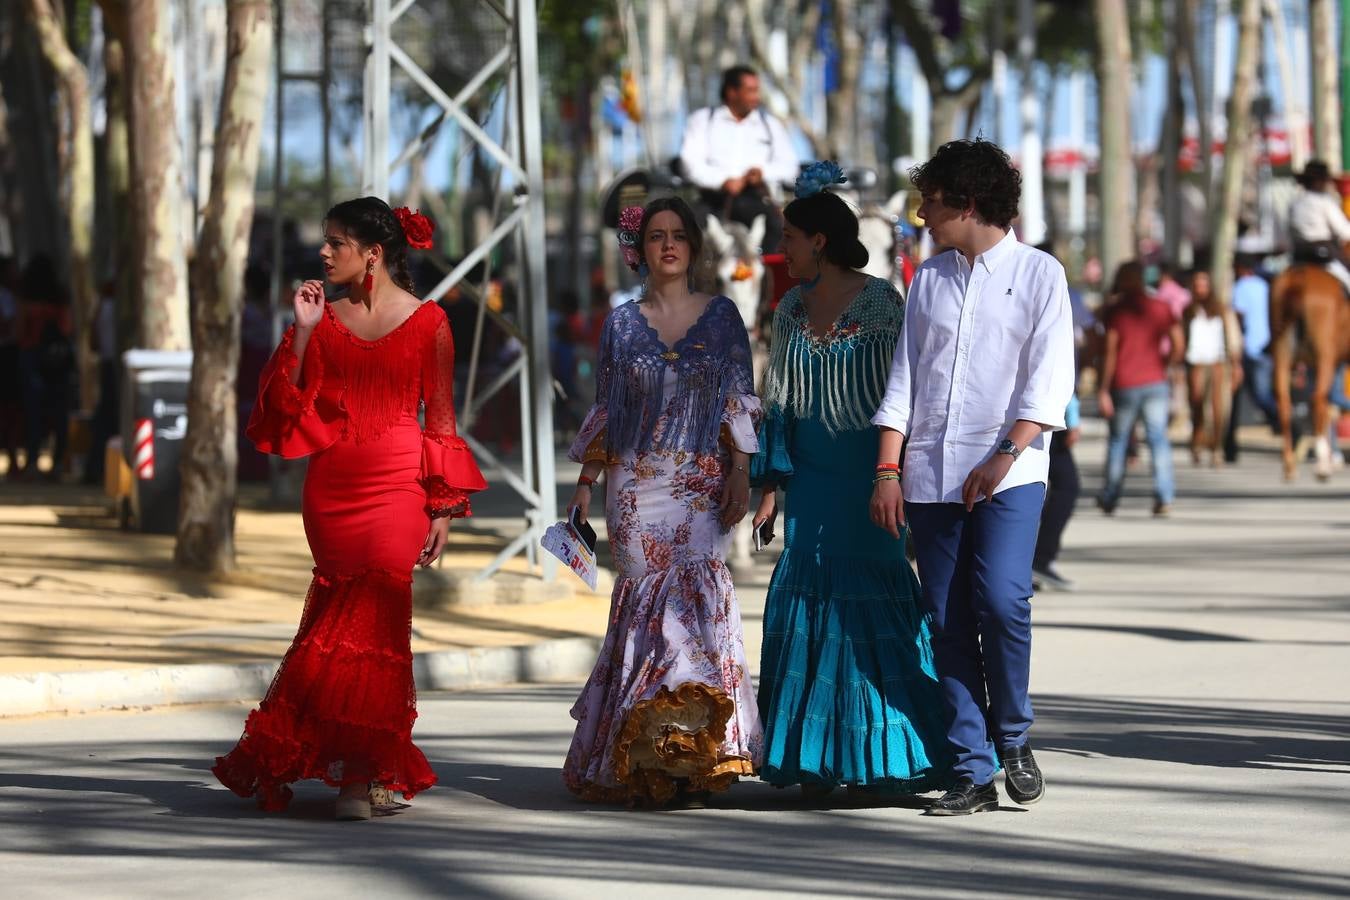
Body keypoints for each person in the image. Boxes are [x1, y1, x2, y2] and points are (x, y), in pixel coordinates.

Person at [213, 197, 487, 820]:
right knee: (343, 617)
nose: (324, 252)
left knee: (379, 626)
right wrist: (304, 329)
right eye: (325, 240)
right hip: (332, 490)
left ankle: (359, 777)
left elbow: (440, 418)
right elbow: (287, 404)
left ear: (374, 252)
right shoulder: (322, 318)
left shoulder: (431, 323)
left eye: (337, 241)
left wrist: (442, 504)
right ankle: (334, 767)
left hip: (399, 488)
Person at [871, 139, 1075, 816]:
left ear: (967, 202)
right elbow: (904, 379)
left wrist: (1005, 455)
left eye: (931, 200)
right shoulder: (928, 279)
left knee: (1003, 600)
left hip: (1010, 473)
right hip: (929, 474)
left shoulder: (1042, 274)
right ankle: (971, 768)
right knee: (946, 620)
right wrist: (888, 468)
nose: (922, 213)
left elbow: (1049, 384)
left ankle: (1013, 734)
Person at [750, 163, 952, 800]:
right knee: (810, 600)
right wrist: (769, 487)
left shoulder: (883, 302)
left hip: (869, 480)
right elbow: (776, 402)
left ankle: (887, 758)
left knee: (873, 603)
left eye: (790, 235)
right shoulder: (788, 307)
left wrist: (899, 477)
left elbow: (906, 395)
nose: (782, 247)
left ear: (820, 240)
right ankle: (815, 759)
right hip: (810, 482)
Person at [564, 197, 763, 807]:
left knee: (695, 608)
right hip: (634, 486)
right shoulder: (621, 324)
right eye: (656, 236)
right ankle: (642, 757)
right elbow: (605, 409)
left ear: (694, 247)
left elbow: (740, 398)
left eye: (678, 235)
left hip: (701, 482)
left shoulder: (724, 315)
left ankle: (696, 757)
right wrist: (582, 492)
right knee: (647, 613)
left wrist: (740, 471)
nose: (668, 245)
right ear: (641, 248)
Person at [678, 65, 799, 252]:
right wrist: (723, 181)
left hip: (756, 199)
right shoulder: (702, 120)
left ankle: (772, 278)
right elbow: (689, 163)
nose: (756, 97)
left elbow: (790, 167)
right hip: (712, 200)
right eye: (750, 90)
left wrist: (763, 173)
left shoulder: (770, 125)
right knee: (684, 232)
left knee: (778, 229)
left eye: (757, 90)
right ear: (732, 92)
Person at [1097, 261, 1184, 516]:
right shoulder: (1161, 306)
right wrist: (1165, 365)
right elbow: (1179, 343)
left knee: (1118, 441)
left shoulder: (1116, 311)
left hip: (1123, 383)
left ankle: (1110, 496)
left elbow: (1110, 351)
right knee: (1158, 439)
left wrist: (1103, 389)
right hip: (1155, 381)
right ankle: (1164, 496)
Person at [16, 254, 74, 480]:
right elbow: (67, 328)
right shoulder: (59, 298)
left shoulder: (26, 299)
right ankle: (58, 462)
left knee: (33, 413)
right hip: (58, 362)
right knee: (58, 412)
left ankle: (32, 460)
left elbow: (20, 332)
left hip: (31, 358)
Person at [1182, 270, 1242, 467]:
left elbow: (1233, 339)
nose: (1201, 289)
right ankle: (1197, 441)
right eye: (1197, 285)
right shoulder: (1188, 311)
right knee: (1197, 404)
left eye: (1204, 285)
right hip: (1196, 363)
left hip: (1218, 362)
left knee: (1219, 409)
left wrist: (1236, 366)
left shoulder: (1222, 311)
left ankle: (1217, 447)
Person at [1223, 256, 1278, 462]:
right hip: (1267, 346)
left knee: (1246, 396)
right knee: (1261, 393)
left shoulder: (1241, 287)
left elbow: (1238, 316)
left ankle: (1286, 424)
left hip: (1247, 348)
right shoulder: (1265, 286)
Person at [1287, 159, 1350, 296]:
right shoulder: (1324, 202)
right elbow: (1343, 231)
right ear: (1320, 181)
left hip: (1298, 255)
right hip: (1323, 253)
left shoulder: (1295, 203)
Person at [0, 256, 20, 476]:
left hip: (10, 354)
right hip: (6, 355)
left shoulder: (12, 297)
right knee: (8, 410)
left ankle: (13, 458)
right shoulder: (5, 297)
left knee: (11, 411)